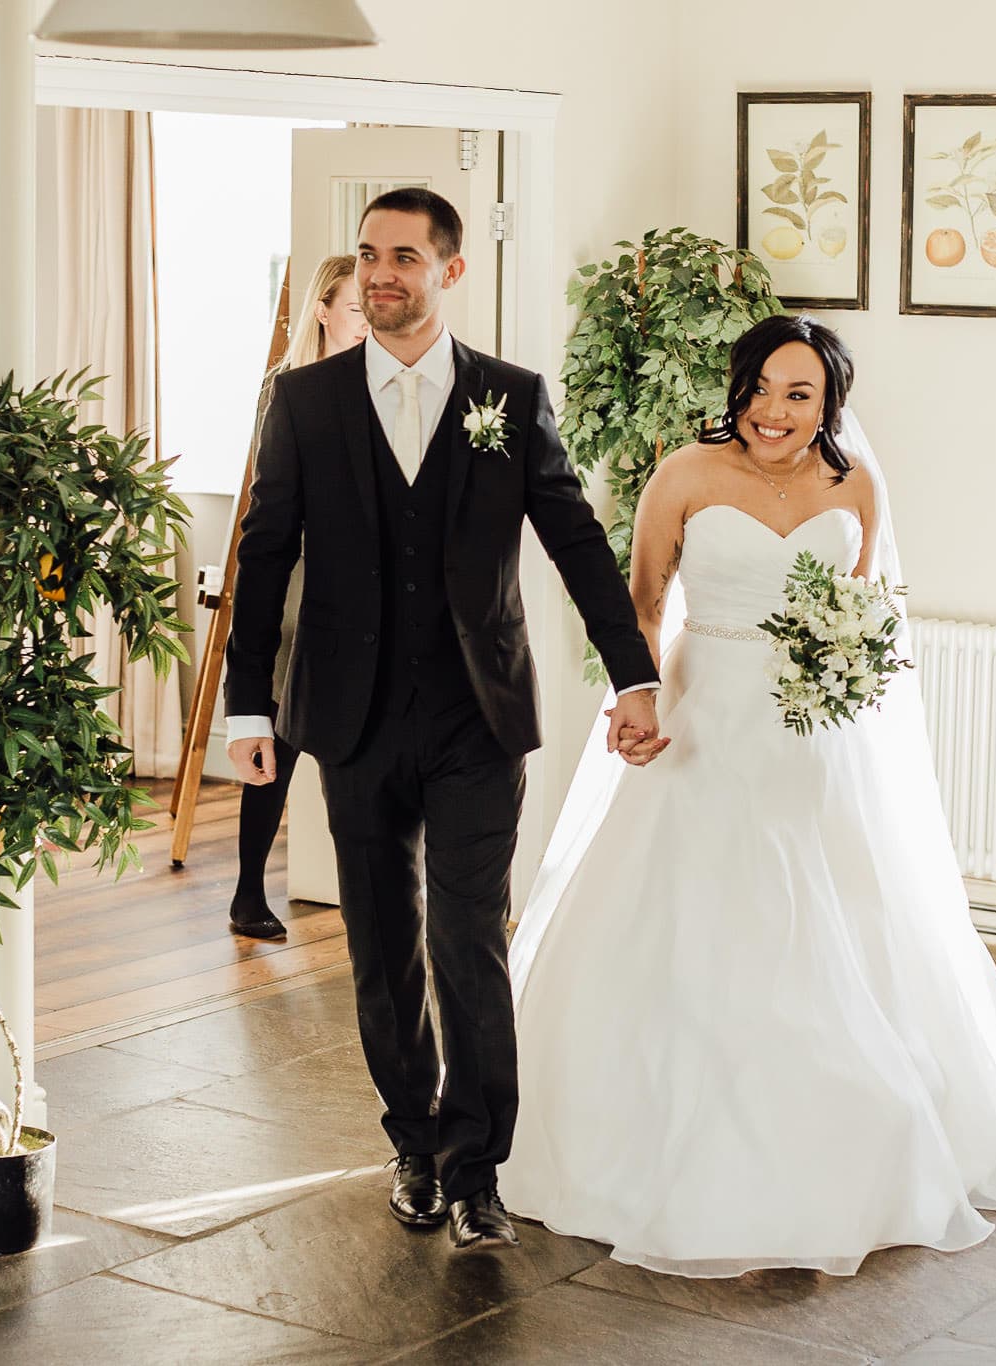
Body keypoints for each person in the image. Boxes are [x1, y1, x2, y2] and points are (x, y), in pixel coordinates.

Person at [501, 315, 996, 1278]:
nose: (773, 411)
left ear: (829, 403)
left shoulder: (856, 484)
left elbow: (861, 607)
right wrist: (630, 700)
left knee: (837, 920)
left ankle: (842, 1135)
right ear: (739, 386)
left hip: (816, 740)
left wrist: (843, 678)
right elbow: (639, 602)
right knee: (689, 919)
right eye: (760, 387)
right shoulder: (682, 474)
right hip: (702, 721)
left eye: (798, 394)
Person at [222, 188, 668, 1252]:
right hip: (354, 720)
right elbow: (264, 553)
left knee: (466, 937)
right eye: (370, 255)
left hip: (478, 717)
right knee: (380, 945)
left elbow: (573, 542)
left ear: (449, 271)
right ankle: (412, 1145)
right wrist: (250, 704)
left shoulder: (509, 397)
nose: (381, 273)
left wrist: (633, 675)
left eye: (404, 257)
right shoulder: (308, 400)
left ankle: (477, 1169)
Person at [227, 253, 370, 941]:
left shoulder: (388, 385)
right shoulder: (287, 390)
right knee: (278, 737)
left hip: (365, 587)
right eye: (354, 310)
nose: (366, 323)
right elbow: (275, 508)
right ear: (323, 309)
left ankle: (368, 889)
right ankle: (248, 891)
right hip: (300, 585)